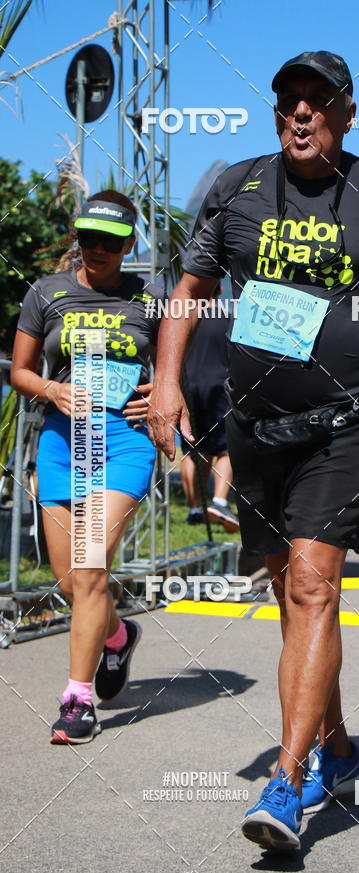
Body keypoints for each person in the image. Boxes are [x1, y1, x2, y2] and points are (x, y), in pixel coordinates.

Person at [148, 51, 359, 851]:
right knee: (292, 596)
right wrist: (168, 383)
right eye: (289, 100)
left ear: (348, 113)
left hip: (346, 423)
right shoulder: (239, 186)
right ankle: (338, 746)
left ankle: (285, 785)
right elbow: (190, 289)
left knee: (314, 587)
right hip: (255, 426)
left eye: (319, 100)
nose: (302, 112)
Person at [11, 190, 158, 744]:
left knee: (91, 567)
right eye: (88, 237)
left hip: (123, 444)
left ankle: (77, 701)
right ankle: (117, 637)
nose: (96, 249)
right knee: (71, 579)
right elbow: (20, 372)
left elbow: (174, 372)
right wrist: (53, 389)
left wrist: (160, 396)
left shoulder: (149, 299)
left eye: (110, 241)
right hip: (61, 443)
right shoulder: (46, 293)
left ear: (129, 244)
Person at [179, 282, 239, 531]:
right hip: (218, 387)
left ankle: (195, 508)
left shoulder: (184, 319)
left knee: (193, 449)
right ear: (220, 290)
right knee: (226, 449)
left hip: (188, 387)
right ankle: (219, 501)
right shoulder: (228, 318)